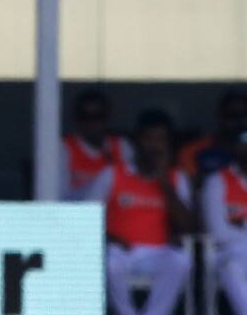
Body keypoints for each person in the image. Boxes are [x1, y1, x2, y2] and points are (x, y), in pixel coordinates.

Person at [84, 109, 195, 315]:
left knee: (181, 261)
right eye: (148, 139)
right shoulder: (112, 173)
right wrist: (110, 237)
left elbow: (187, 226)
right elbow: (85, 218)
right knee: (110, 261)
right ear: (136, 141)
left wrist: (164, 183)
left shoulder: (176, 177)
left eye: (160, 140)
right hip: (121, 250)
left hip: (157, 252)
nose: (154, 146)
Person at [201, 117, 247, 315]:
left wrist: (241, 225)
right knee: (232, 267)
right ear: (234, 146)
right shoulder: (217, 181)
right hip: (229, 253)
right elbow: (218, 231)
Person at [61, 90, 132, 200]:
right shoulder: (64, 147)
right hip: (77, 214)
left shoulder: (122, 146)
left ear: (107, 118)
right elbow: (59, 197)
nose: (91, 123)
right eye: (85, 116)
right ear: (76, 118)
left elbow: (133, 189)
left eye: (97, 116)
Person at [178, 90, 247, 185]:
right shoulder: (194, 150)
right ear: (220, 116)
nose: (239, 122)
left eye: (244, 116)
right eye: (233, 115)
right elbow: (188, 187)